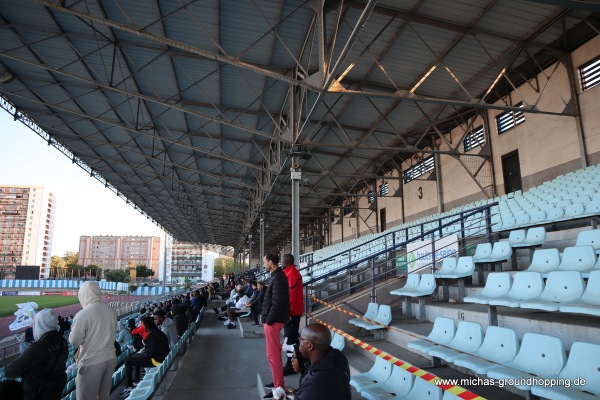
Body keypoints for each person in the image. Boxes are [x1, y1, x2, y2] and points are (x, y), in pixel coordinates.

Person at [69, 281, 118, 400]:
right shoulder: (110, 311)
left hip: (91, 361)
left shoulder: (83, 314)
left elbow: (74, 341)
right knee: (103, 396)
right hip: (110, 358)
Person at [5, 308, 68, 400]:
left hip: (37, 393)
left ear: (39, 324)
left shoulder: (39, 346)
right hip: (55, 390)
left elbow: (9, 371)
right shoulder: (62, 340)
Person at [261, 253, 290, 399]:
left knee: (273, 355)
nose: (264, 264)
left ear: (271, 262)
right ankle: (277, 385)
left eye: (265, 262)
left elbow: (277, 303)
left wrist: (268, 320)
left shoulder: (278, 278)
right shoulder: (277, 276)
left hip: (274, 321)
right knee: (272, 355)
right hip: (273, 320)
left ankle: (279, 387)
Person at [295, 324, 351, 400]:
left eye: (301, 339)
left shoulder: (313, 383)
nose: (299, 342)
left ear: (309, 346)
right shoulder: (339, 359)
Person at [120, 316, 169, 397]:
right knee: (136, 358)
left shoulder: (152, 335)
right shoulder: (158, 332)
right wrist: (140, 355)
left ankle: (129, 386)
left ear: (146, 325)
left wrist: (141, 355)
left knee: (128, 361)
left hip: (156, 361)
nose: (141, 326)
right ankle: (135, 381)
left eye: (142, 325)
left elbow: (149, 355)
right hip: (161, 357)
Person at [281, 253, 304, 375]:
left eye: (282, 261)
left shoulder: (292, 274)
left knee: (290, 339)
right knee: (291, 337)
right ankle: (296, 362)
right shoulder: (289, 273)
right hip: (292, 311)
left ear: (287, 262)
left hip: (292, 312)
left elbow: (292, 296)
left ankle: (291, 366)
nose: (281, 263)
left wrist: (287, 313)